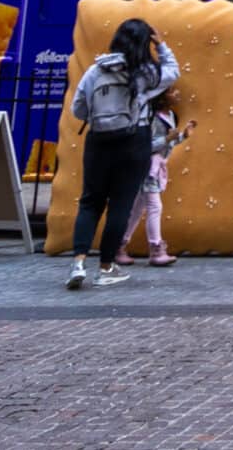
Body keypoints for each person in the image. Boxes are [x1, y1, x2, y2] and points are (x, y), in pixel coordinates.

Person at [65, 17, 179, 289]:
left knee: (90, 202)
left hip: (98, 141)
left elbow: (78, 109)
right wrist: (161, 44)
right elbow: (173, 72)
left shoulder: (96, 70)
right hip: (133, 142)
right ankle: (106, 267)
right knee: (120, 205)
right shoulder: (145, 74)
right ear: (144, 43)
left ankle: (78, 263)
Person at [116, 99, 193, 268]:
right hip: (147, 166)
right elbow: (145, 146)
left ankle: (119, 245)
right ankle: (156, 249)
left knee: (138, 208)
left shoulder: (170, 115)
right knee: (154, 206)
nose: (177, 93)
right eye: (172, 91)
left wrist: (182, 136)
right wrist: (166, 139)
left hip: (156, 167)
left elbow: (168, 142)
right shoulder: (151, 117)